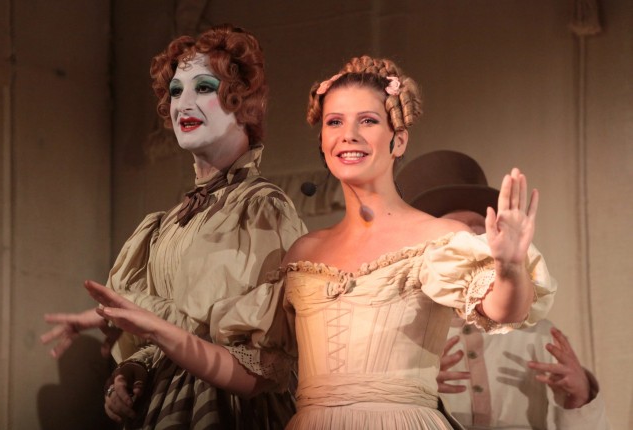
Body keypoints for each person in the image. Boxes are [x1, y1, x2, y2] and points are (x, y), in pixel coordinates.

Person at [73, 55, 557, 429]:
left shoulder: (436, 238)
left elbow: (503, 311)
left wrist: (510, 266)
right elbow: (253, 374)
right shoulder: (304, 253)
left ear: (399, 139)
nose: (350, 135)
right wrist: (158, 330)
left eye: (368, 121)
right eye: (334, 122)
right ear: (323, 142)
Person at [41, 24, 307, 429]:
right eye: (177, 91)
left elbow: (258, 357)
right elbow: (167, 337)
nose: (184, 103)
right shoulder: (167, 224)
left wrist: (135, 311)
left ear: (242, 101)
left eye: (204, 87)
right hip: (165, 406)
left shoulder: (261, 208)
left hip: (227, 408)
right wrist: (134, 371)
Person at [396, 150, 611, 429]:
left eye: (479, 229)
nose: (472, 240)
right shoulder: (399, 335)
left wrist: (580, 398)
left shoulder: (537, 334)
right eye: (454, 231)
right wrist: (409, 398)